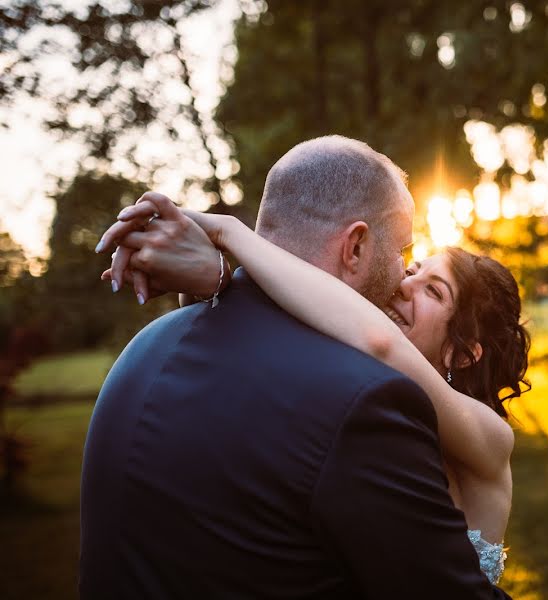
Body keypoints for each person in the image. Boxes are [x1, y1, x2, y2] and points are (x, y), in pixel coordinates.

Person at [81, 136, 516, 599]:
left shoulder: (145, 347)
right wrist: (220, 272)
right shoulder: (362, 406)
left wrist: (229, 247)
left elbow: (379, 341)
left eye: (433, 290)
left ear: (465, 352)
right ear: (355, 247)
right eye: (406, 257)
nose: (404, 280)